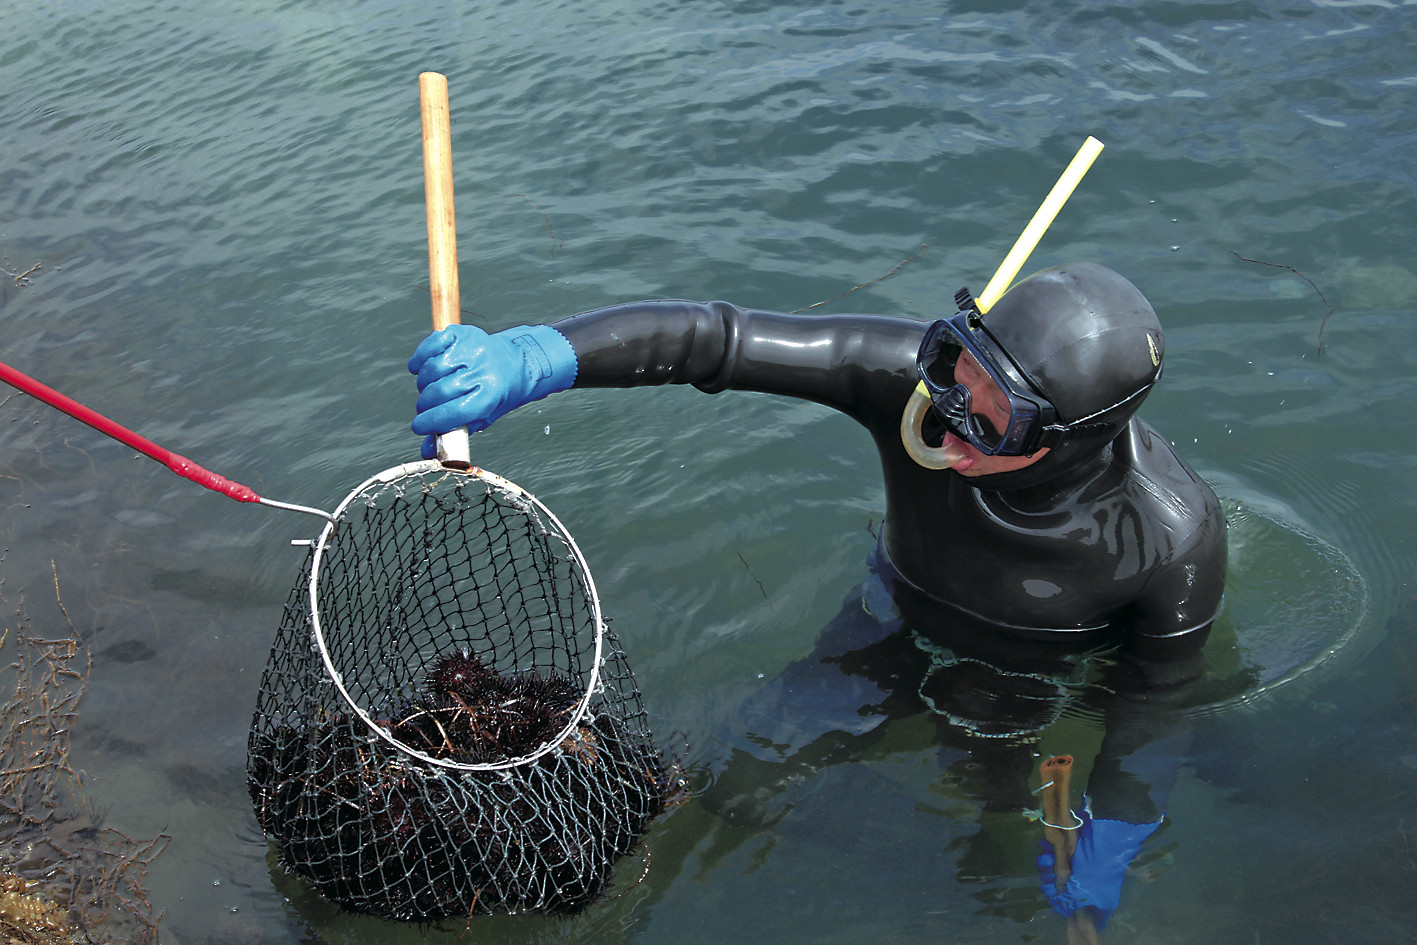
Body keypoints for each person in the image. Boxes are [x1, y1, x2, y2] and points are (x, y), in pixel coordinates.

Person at [408, 260, 1228, 926]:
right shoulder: (904, 385)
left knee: (992, 785)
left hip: (1030, 676)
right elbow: (713, 338)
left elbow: (1157, 694)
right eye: (955, 369)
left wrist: (1121, 817)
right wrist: (542, 355)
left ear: (1069, 439)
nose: (944, 423)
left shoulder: (1169, 535)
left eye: (992, 418)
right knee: (739, 780)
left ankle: (997, 824)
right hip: (888, 620)